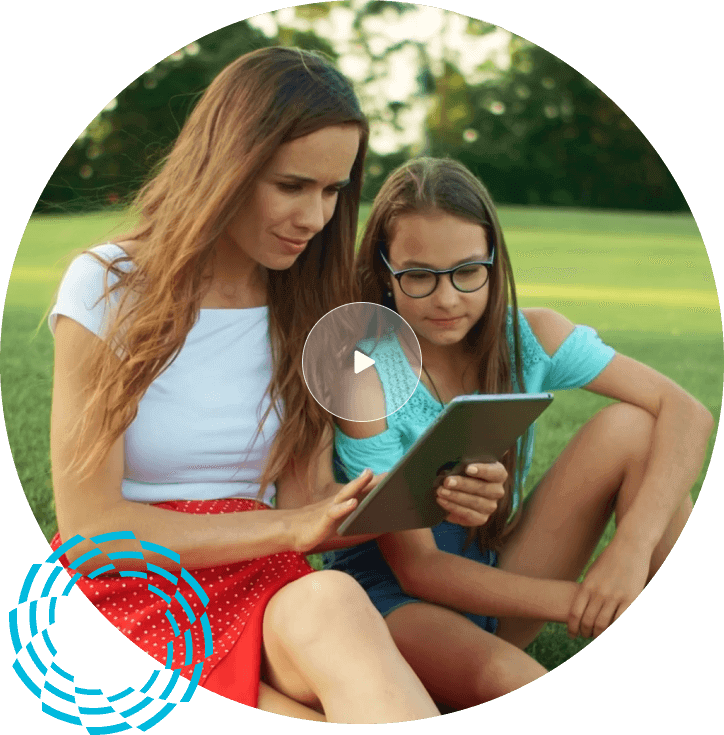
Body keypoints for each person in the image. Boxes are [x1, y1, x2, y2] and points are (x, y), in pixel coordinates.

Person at [47, 47, 463, 723]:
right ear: (228, 166)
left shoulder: (306, 303)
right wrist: (292, 524)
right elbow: (91, 527)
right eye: (292, 185)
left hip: (263, 579)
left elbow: (308, 505)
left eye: (333, 192)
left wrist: (421, 490)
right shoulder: (108, 285)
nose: (316, 217)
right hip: (131, 590)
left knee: (334, 601)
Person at [323, 157, 714, 710]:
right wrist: (584, 599)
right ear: (383, 273)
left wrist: (629, 553)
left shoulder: (529, 335)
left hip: (494, 573)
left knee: (634, 428)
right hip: (397, 602)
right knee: (513, 677)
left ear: (493, 263)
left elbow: (686, 412)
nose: (447, 297)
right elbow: (420, 569)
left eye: (467, 271)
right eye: (418, 275)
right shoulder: (365, 371)